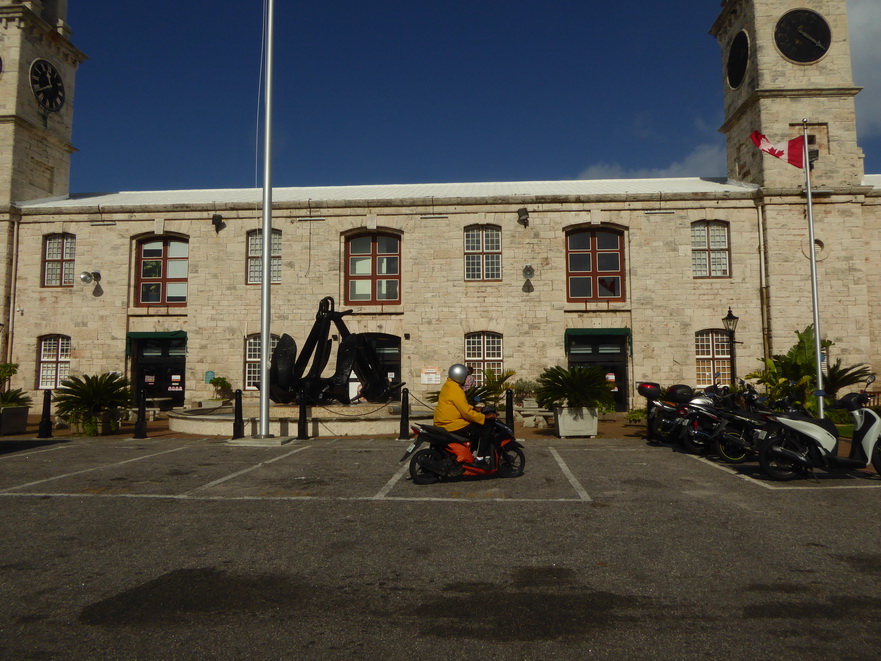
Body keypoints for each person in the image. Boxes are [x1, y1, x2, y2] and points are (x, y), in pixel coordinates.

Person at [433, 363, 496, 467]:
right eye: (466, 376)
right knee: (486, 426)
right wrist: (484, 417)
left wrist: (474, 408)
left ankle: (471, 452)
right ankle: (480, 458)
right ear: (460, 375)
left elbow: (460, 406)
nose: (467, 378)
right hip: (452, 424)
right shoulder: (456, 390)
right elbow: (466, 413)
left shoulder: (449, 385)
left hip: (444, 421)